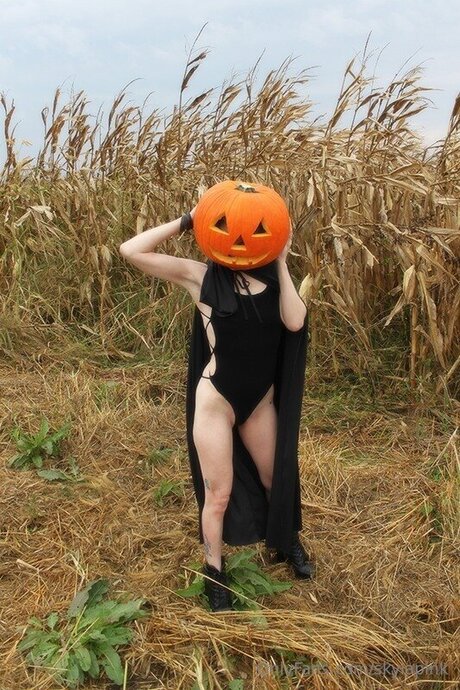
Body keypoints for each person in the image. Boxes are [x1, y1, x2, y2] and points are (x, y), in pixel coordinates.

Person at [119, 200, 315, 612]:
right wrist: (188, 220)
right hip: (217, 401)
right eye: (226, 225)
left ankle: (285, 541)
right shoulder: (202, 277)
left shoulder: (274, 279)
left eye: (256, 230)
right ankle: (214, 573)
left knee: (276, 478)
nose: (240, 238)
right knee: (218, 495)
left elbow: (296, 322)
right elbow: (131, 250)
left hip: (258, 404)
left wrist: (281, 260)